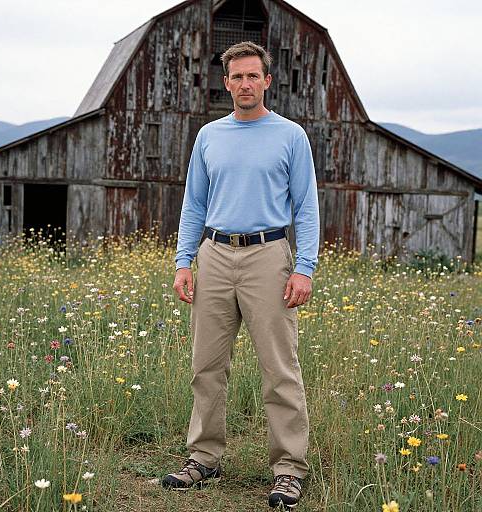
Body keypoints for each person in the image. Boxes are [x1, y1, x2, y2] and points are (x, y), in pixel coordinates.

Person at [163, 41, 320, 510]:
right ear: (225, 82)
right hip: (213, 253)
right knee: (206, 365)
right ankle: (204, 457)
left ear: (267, 81)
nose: (245, 84)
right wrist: (183, 261)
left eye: (254, 76)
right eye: (237, 77)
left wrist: (305, 268)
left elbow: (306, 206)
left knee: (279, 369)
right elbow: (193, 203)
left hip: (269, 257)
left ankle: (289, 469)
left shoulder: (291, 136)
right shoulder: (210, 135)